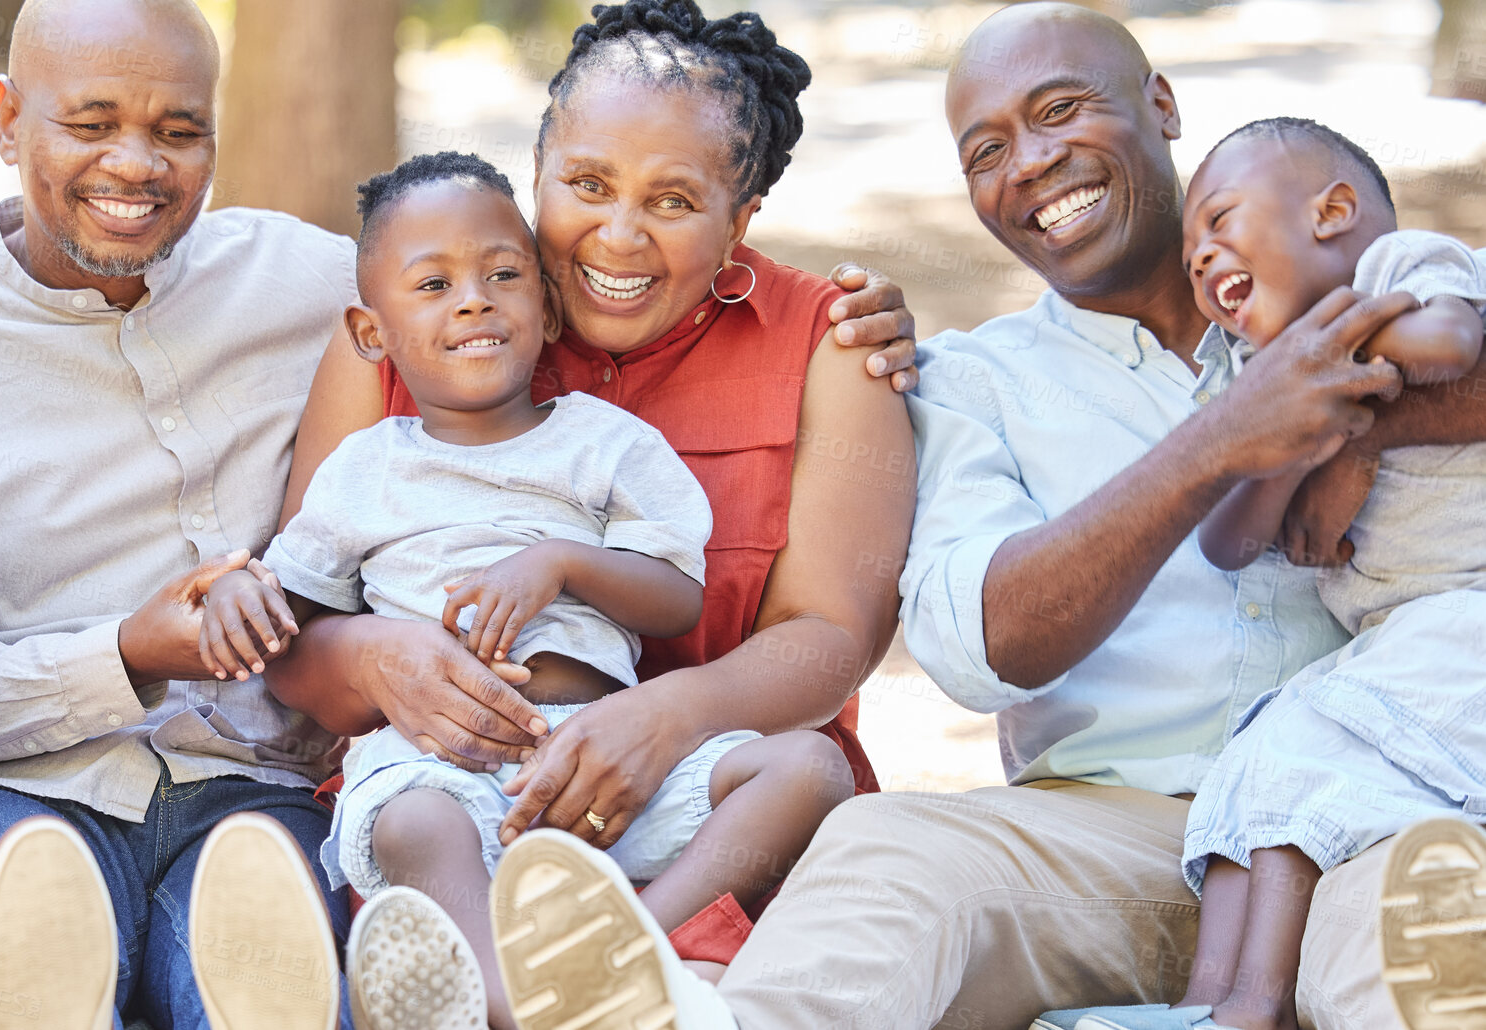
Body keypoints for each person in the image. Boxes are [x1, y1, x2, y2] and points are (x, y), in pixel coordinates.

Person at [460, 5, 1486, 1030]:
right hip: (1095, 838)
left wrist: (1356, 427)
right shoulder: (966, 384)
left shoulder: (1340, 272)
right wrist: (1220, 441)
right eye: (984, 151)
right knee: (884, 846)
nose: (1028, 164)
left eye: (1057, 112)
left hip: (1370, 803)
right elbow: (977, 644)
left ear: (1159, 106)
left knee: (1418, 922)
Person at [256, 1, 915, 995]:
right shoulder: (435, 318)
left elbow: (832, 635)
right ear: (536, 171)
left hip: (707, 823)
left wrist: (662, 719)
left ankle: (613, 959)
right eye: (586, 185)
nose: (617, 235)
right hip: (453, 797)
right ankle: (500, 986)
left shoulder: (830, 345)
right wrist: (375, 653)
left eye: (673, 201)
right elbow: (295, 628)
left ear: (740, 219)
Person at [197, 151, 854, 1030]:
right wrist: (245, 594)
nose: (473, 299)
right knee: (414, 822)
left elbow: (676, 600)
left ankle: (627, 947)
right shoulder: (366, 469)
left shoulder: (606, 445)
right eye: (432, 285)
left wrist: (563, 562)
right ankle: (495, 992)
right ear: (371, 334)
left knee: (809, 766)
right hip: (443, 764)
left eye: (503, 275)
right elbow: (294, 613)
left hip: (603, 766)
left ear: (545, 310)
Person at [0, 0, 370, 1026]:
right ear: (8, 121)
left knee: (269, 973)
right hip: (21, 792)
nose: (136, 164)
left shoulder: (314, 283)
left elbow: (494, 302)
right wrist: (124, 652)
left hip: (256, 779)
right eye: (90, 125)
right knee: (25, 959)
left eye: (179, 132)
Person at [1051, 119, 1486, 1030]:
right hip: (1397, 640)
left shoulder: (1402, 267)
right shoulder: (1259, 375)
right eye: (1193, 255)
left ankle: (1256, 1006)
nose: (1203, 260)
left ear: (1332, 213)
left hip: (1464, 619)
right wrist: (1287, 432)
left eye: (1220, 221)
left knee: (1306, 759)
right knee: (1255, 762)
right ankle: (1204, 1004)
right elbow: (1230, 542)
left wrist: (1341, 418)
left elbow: (1449, 345)